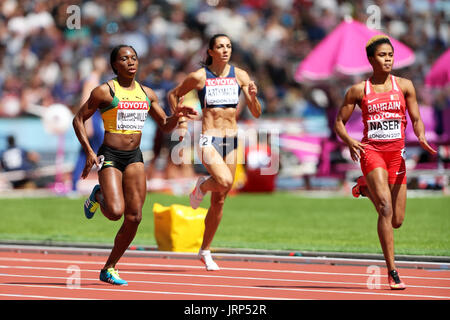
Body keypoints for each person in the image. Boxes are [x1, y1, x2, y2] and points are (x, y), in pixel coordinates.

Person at [72, 45, 197, 285]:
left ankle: (109, 267)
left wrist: (178, 114)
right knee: (115, 212)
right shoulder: (104, 92)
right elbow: (78, 119)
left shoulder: (147, 93)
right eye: (124, 59)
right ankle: (98, 197)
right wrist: (89, 151)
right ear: (115, 65)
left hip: (134, 156)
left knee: (135, 216)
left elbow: (164, 124)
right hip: (110, 155)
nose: (130, 62)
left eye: (134, 58)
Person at [334, 35, 437, 290]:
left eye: (390, 55)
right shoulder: (358, 90)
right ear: (371, 59)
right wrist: (349, 141)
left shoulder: (405, 86)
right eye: (382, 55)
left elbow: (416, 118)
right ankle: (392, 271)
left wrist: (421, 135)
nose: (388, 59)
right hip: (372, 153)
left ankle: (365, 188)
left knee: (397, 220)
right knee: (385, 209)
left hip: (397, 155)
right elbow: (339, 123)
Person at [168, 34, 262, 271]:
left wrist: (253, 96)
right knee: (224, 181)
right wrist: (180, 119)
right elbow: (173, 94)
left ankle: (205, 250)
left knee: (220, 198)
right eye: (220, 46)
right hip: (209, 138)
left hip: (231, 140)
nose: (225, 50)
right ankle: (201, 186)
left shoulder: (240, 75)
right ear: (210, 51)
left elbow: (256, 112)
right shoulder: (199, 77)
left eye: (228, 46)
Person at [71, 56, 107, 194]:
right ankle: (106, 183)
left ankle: (74, 184)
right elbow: (85, 101)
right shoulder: (92, 80)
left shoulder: (95, 79)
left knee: (86, 152)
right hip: (93, 119)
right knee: (100, 151)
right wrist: (88, 123)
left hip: (95, 118)